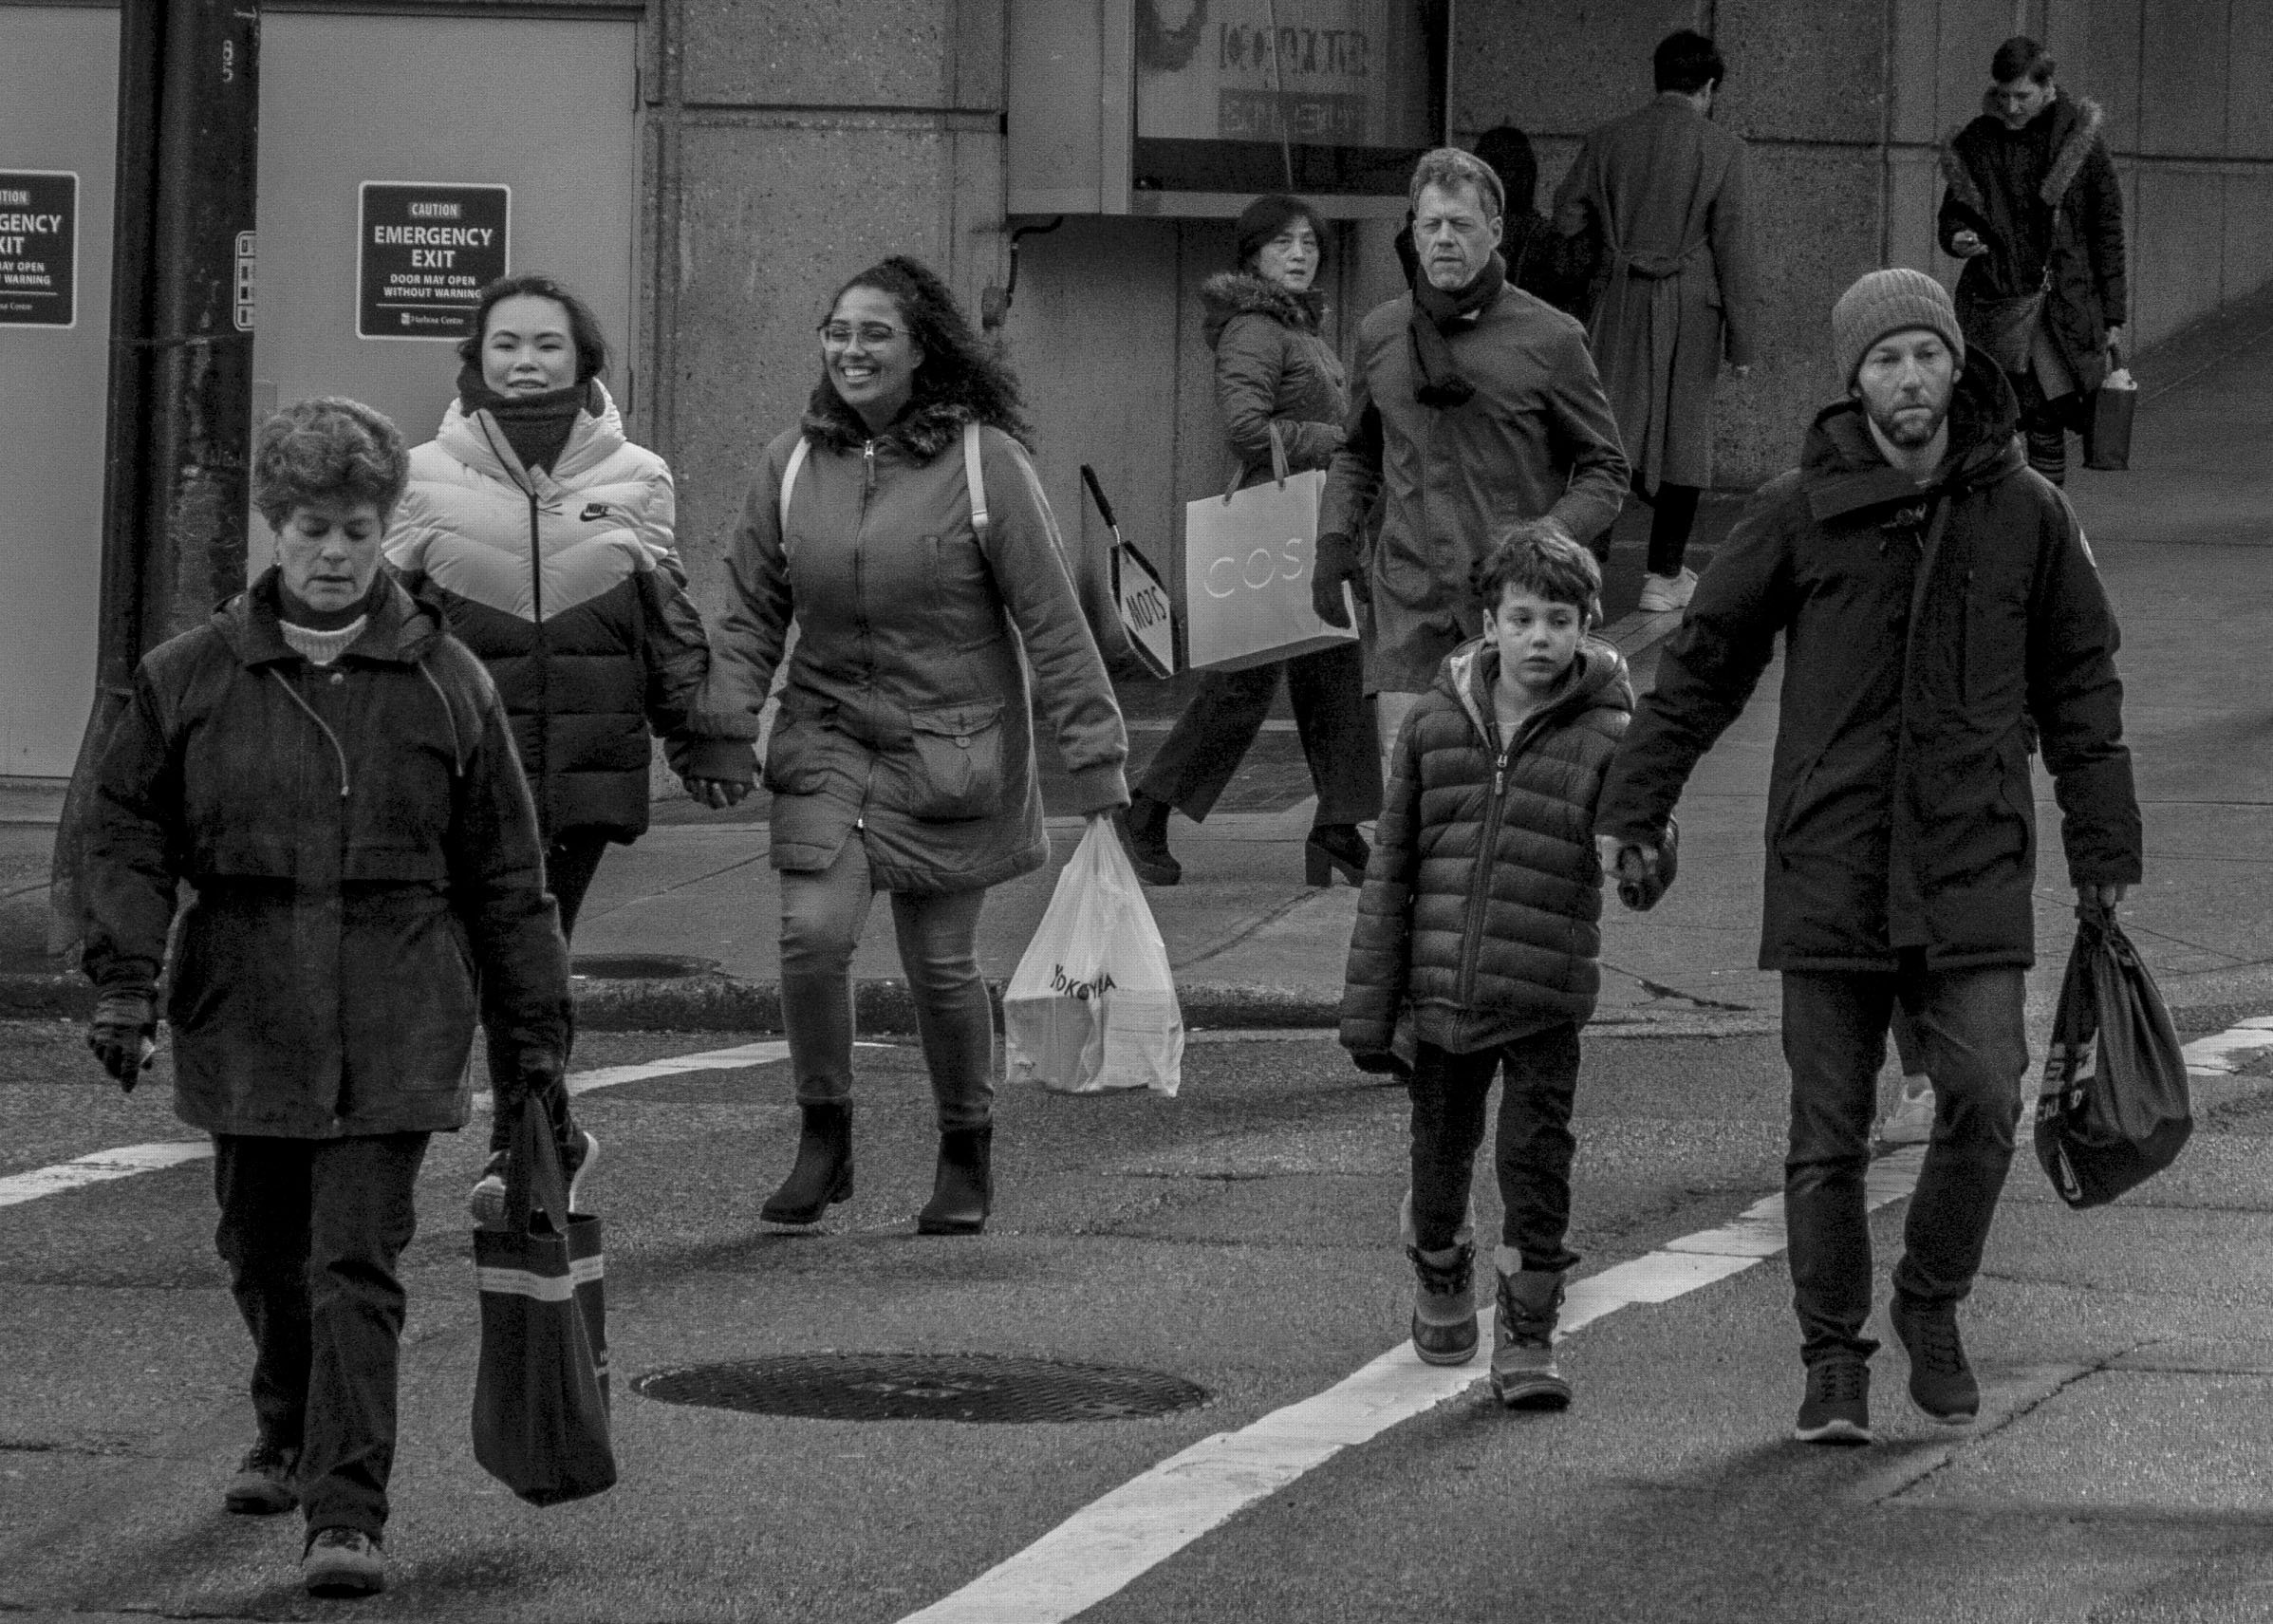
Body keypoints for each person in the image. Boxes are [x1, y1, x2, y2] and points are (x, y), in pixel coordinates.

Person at [1595, 269, 2141, 1446]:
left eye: (1925, 356)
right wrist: (1636, 801)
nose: (1907, 378)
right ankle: (1831, 1357)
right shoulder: (1799, 508)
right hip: (1831, 861)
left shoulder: (2027, 512)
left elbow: (2081, 687)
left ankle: (1929, 1299)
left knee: (1986, 1098)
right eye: (1884, 361)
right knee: (1824, 1131)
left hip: (1970, 860)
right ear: (1854, 381)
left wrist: (2105, 846)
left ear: (1957, 368)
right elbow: (1702, 665)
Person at [82, 400, 571, 1597]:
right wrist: (123, 983)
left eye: (356, 528)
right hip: (243, 1001)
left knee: (356, 1258)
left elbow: (509, 878)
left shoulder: (449, 682)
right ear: (276, 528)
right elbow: (126, 833)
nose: (335, 552)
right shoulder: (188, 678)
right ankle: (288, 1427)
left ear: (384, 527)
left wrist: (535, 1052)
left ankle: (346, 1510)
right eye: (310, 527)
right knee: (260, 1249)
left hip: (397, 1003)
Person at [681, 255, 1128, 1236]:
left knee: (938, 964)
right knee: (812, 935)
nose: (852, 349)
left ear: (921, 348)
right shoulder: (790, 464)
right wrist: (722, 730)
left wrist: (1095, 758)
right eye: (838, 331)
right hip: (829, 742)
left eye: (875, 333)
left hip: (950, 751)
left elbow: (1052, 621)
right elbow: (750, 615)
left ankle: (966, 1144)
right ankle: (823, 1133)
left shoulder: (984, 465)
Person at [383, 271, 726, 1226]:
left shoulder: (637, 477)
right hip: (458, 777)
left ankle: (523, 1144)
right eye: (505, 344)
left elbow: (667, 624)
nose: (525, 362)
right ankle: (544, 1137)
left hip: (581, 771)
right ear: (475, 360)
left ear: (583, 362)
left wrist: (703, 738)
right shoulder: (419, 476)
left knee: (524, 961)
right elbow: (382, 626)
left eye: (546, 345)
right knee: (471, 967)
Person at [1341, 521, 1631, 1409]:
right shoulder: (1433, 727)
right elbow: (1390, 870)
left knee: (1535, 1163)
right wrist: (1368, 1007)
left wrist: (1646, 853)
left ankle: (1529, 1335)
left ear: (1586, 624)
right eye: (1520, 617)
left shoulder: (1611, 731)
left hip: (1544, 993)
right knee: (1439, 1160)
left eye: (1557, 618)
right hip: (1438, 996)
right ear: (1487, 622)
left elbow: (1644, 847)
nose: (1538, 637)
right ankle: (1440, 1260)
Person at [1318, 146, 1629, 784]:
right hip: (1408, 607)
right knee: (1411, 799)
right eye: (1428, 225)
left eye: (1460, 225)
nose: (1443, 240)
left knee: (1509, 801)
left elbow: (1604, 467)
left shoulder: (1551, 338)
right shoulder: (1380, 333)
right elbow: (1357, 453)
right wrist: (1332, 540)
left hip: (1514, 610)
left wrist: (1543, 542)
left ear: (1495, 230)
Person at [1117, 194, 1380, 889]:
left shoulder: (1301, 329)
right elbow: (1244, 427)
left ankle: (1337, 827)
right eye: (1283, 243)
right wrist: (1337, 442)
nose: (1300, 254)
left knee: (1336, 675)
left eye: (1310, 244)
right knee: (1241, 688)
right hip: (1274, 527)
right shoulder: (1255, 330)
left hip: (1311, 524)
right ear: (1252, 255)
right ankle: (1145, 811)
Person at [1552, 28, 1762, 613]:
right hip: (1691, 304)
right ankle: (1664, 574)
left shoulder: (1607, 139)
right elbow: (1734, 249)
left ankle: (1587, 569)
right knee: (1683, 435)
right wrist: (1742, 344)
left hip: (1618, 299)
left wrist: (1609, 250)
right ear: (1710, 87)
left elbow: (1567, 212)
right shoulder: (1725, 150)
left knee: (1604, 430)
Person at [1939, 35, 2126, 487]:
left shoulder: (2081, 142)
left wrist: (2114, 312)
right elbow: (1954, 213)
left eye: (2022, 96)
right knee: (1999, 418)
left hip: (2057, 302)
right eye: (2003, 96)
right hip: (1996, 301)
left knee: (2046, 416)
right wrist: (1958, 238)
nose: (2013, 107)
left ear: (2048, 86)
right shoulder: (1977, 142)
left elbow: (2107, 230)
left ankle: (2046, 519)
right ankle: (2019, 514)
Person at [1392, 126, 1593, 318]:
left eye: (1517, 168)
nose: (1515, 178)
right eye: (1500, 166)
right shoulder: (1537, 234)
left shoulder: (1539, 235)